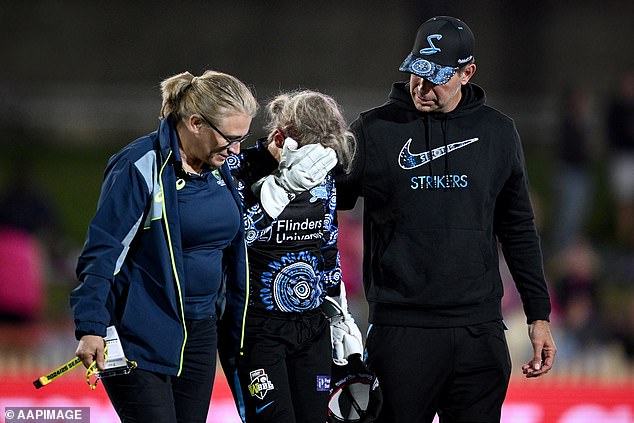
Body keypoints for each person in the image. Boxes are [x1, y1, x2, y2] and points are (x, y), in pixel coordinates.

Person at [335, 16, 557, 422]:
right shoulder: (373, 129)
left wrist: (538, 316)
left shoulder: (498, 133)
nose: (421, 86)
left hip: (479, 332)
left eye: (436, 75)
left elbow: (519, 230)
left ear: (467, 73)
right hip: (402, 332)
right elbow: (331, 202)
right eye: (417, 70)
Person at [69, 70, 259, 423]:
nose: (236, 149)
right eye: (231, 138)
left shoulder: (223, 166)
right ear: (195, 123)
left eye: (243, 138)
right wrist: (91, 325)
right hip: (135, 334)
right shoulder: (138, 164)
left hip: (200, 333)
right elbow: (104, 249)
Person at [226, 90, 361, 423]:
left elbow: (326, 246)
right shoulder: (240, 167)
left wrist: (339, 316)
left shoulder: (323, 175)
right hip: (258, 328)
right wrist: (282, 188)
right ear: (279, 137)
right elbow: (233, 239)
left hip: (311, 327)